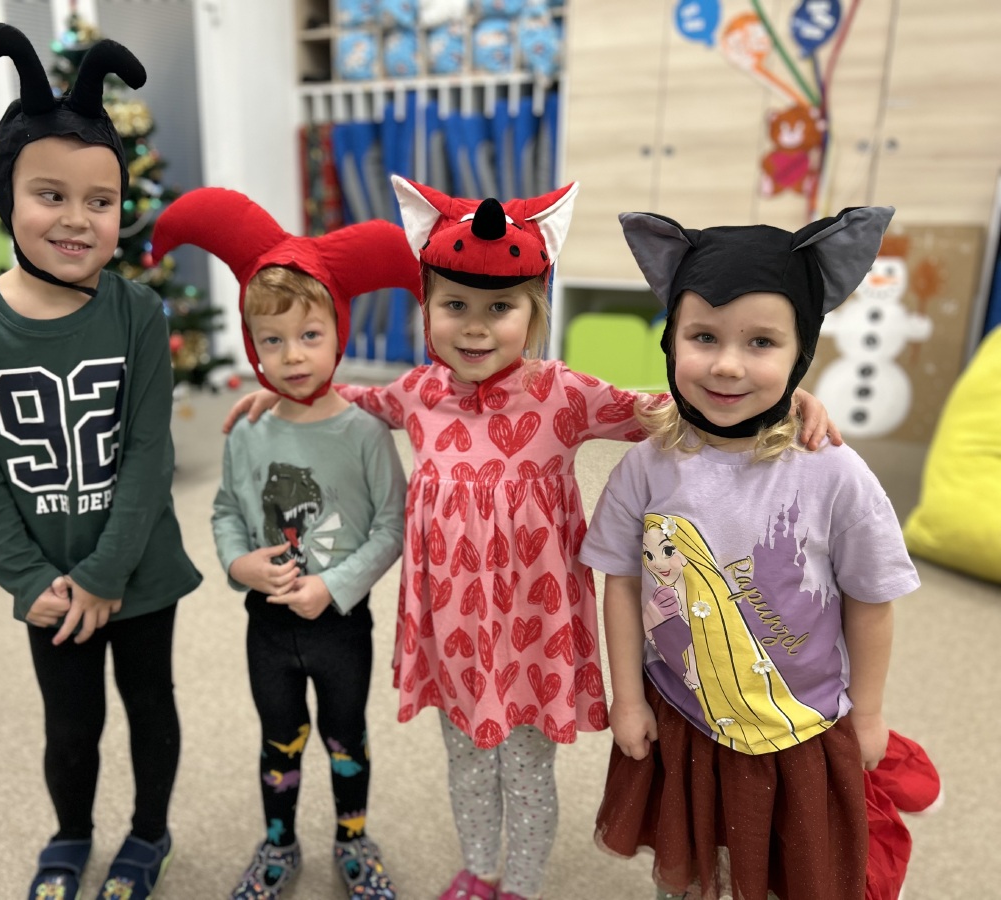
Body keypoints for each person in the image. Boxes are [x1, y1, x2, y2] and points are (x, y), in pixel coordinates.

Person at [225, 176, 840, 900]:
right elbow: (344, 398)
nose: (475, 327)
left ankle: (518, 884)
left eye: (500, 308)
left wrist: (781, 396)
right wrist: (284, 388)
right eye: (455, 306)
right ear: (427, 309)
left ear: (534, 310)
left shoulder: (562, 395)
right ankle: (479, 870)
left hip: (531, 631)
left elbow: (672, 408)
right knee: (465, 765)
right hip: (452, 632)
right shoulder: (417, 393)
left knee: (525, 772)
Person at [579, 206, 921, 900]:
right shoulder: (646, 467)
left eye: (762, 342)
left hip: (800, 727)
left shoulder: (834, 472)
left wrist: (869, 712)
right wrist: (627, 700)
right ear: (671, 340)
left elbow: (871, 598)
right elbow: (620, 582)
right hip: (683, 715)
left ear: (801, 354)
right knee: (691, 865)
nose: (728, 364)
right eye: (703, 336)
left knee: (789, 871)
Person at [0, 24, 200, 900]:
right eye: (50, 194)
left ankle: (150, 834)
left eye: (101, 199)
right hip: (45, 581)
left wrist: (105, 573)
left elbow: (150, 454)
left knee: (150, 707)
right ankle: (72, 834)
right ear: (6, 195)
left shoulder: (139, 314)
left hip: (140, 570)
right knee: (70, 722)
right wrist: (27, 578)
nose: (78, 219)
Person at [151, 187, 417, 899]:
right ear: (252, 345)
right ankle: (278, 843)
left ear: (338, 332)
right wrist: (238, 563)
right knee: (279, 738)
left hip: (339, 624)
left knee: (344, 736)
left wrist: (334, 585)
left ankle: (353, 840)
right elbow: (225, 511)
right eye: (271, 340)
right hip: (266, 625)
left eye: (309, 336)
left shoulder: (364, 431)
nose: (292, 356)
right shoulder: (248, 429)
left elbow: (394, 525)